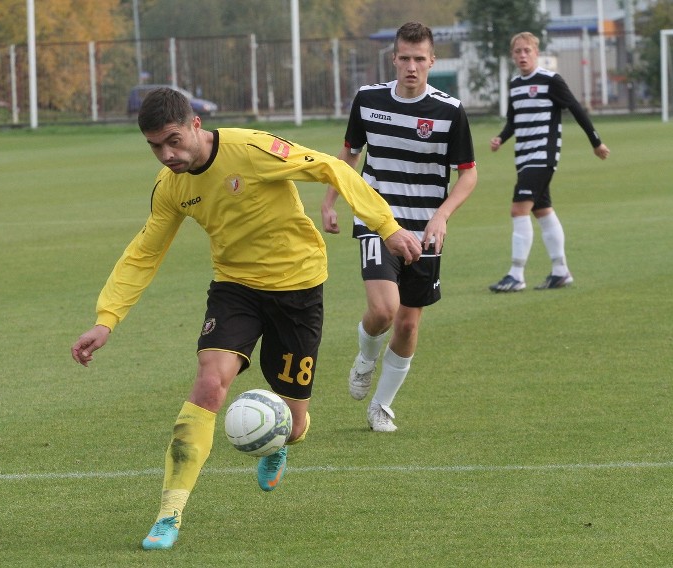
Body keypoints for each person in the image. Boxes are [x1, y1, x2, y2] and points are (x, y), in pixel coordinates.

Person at [71, 87, 422, 551]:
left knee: (293, 428)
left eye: (173, 140)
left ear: (195, 123)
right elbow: (144, 252)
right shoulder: (171, 187)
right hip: (235, 289)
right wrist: (106, 318)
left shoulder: (251, 149)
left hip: (298, 288)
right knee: (209, 381)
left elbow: (330, 166)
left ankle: (278, 442)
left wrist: (387, 226)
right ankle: (168, 513)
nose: (167, 154)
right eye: (155, 146)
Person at [321, 22, 477, 433]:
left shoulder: (449, 111)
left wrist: (442, 215)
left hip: (426, 227)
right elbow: (348, 154)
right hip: (376, 217)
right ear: (393, 58)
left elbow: (468, 175)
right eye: (404, 58)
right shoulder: (368, 100)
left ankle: (381, 406)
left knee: (408, 323)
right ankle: (365, 358)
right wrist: (330, 201)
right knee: (383, 310)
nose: (411, 66)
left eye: (419, 59)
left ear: (432, 61)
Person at [488, 31, 610, 293]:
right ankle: (560, 270)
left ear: (536, 53)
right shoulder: (514, 84)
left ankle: (516, 274)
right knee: (542, 211)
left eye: (527, 51)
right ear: (512, 55)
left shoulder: (550, 80)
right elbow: (514, 121)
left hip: (542, 156)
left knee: (518, 210)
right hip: (523, 157)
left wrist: (596, 142)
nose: (522, 55)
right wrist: (501, 138)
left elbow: (576, 109)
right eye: (518, 51)